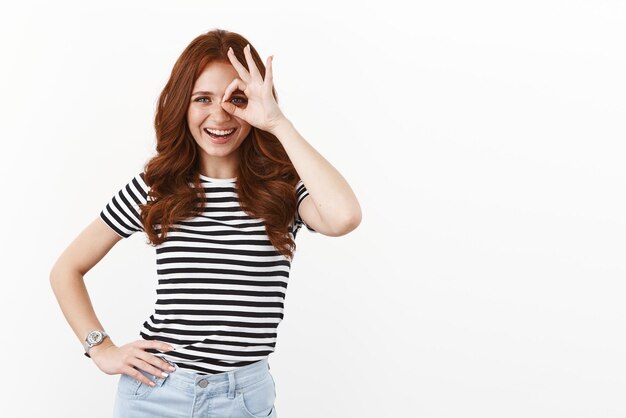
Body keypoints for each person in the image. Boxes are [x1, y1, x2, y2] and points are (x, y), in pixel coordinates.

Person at [49, 28, 361, 417]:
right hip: (157, 392)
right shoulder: (156, 187)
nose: (219, 115)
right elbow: (66, 269)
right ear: (183, 104)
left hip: (243, 399)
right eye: (203, 99)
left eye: (237, 99)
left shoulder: (283, 188)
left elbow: (345, 216)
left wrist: (278, 122)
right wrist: (101, 349)